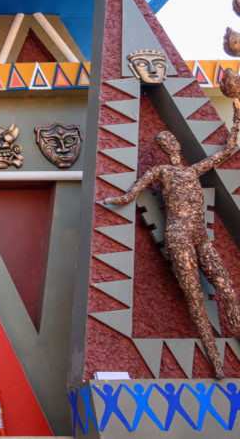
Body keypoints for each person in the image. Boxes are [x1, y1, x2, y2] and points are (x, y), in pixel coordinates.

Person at [103, 98, 240, 378]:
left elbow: (229, 149)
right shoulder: (161, 171)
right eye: (165, 141)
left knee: (226, 289)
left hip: (200, 237)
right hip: (178, 235)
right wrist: (117, 198)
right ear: (164, 148)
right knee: (194, 297)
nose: (171, 143)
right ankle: (216, 364)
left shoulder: (193, 170)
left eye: (172, 140)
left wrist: (237, 109)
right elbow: (133, 191)